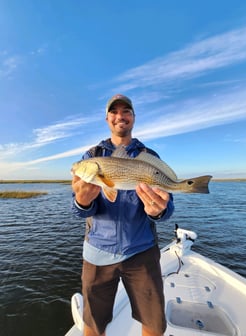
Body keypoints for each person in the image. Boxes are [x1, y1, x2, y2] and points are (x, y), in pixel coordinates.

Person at [71, 94, 174, 336]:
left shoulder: (149, 156)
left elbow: (167, 207)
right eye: (114, 112)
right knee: (94, 324)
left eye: (126, 111)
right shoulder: (92, 155)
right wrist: (82, 201)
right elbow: (78, 210)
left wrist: (158, 211)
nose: (120, 116)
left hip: (142, 252)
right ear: (107, 118)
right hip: (97, 252)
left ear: (133, 118)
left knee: (154, 323)